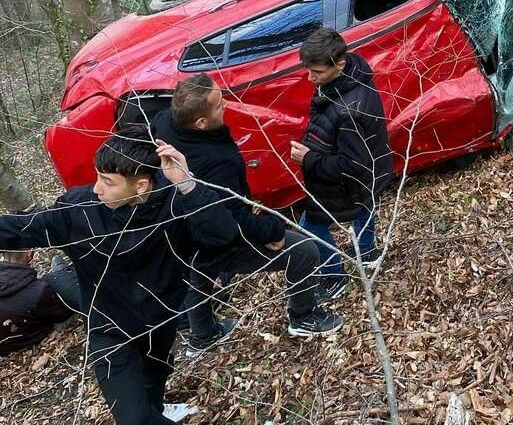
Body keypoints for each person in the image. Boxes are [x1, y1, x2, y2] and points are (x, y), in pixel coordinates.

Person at [0, 127, 240, 424]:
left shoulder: (174, 206)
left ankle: (158, 409)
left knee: (154, 384)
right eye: (98, 176)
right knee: (134, 419)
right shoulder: (80, 210)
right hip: (109, 331)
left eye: (108, 182)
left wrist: (188, 185)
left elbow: (222, 236)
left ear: (141, 186)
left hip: (159, 322)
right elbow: (20, 228)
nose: (97, 188)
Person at [152, 74, 343, 354]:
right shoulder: (217, 161)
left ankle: (203, 334)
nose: (226, 105)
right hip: (213, 234)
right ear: (201, 122)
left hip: (184, 231)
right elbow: (233, 221)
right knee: (303, 250)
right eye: (218, 105)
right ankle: (304, 317)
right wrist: (272, 230)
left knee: (198, 272)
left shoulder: (166, 121)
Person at [292, 28, 393, 299]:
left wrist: (309, 158)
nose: (310, 78)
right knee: (367, 201)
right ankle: (367, 251)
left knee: (310, 225)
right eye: (308, 69)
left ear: (340, 64)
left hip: (352, 178)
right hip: (374, 167)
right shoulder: (354, 72)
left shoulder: (348, 111)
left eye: (317, 72)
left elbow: (351, 166)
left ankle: (335, 278)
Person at [0, 249, 73, 355]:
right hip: (27, 343)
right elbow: (63, 313)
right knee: (60, 278)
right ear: (29, 254)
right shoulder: (38, 290)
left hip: (4, 349)